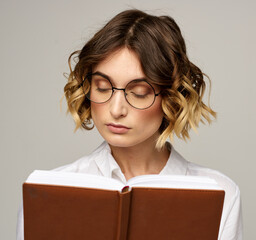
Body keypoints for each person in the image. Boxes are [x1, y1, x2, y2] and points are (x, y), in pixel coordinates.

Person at [17, 9, 243, 240]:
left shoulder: (220, 193)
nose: (116, 110)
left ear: (172, 97)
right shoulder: (47, 191)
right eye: (102, 87)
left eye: (139, 92)